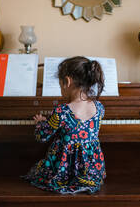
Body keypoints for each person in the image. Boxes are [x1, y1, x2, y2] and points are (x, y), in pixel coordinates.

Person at [23, 56, 106, 194]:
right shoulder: (99, 108)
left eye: (60, 84)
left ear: (67, 81)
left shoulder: (62, 111)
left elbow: (42, 136)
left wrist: (40, 123)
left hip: (64, 172)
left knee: (37, 171)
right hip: (91, 172)